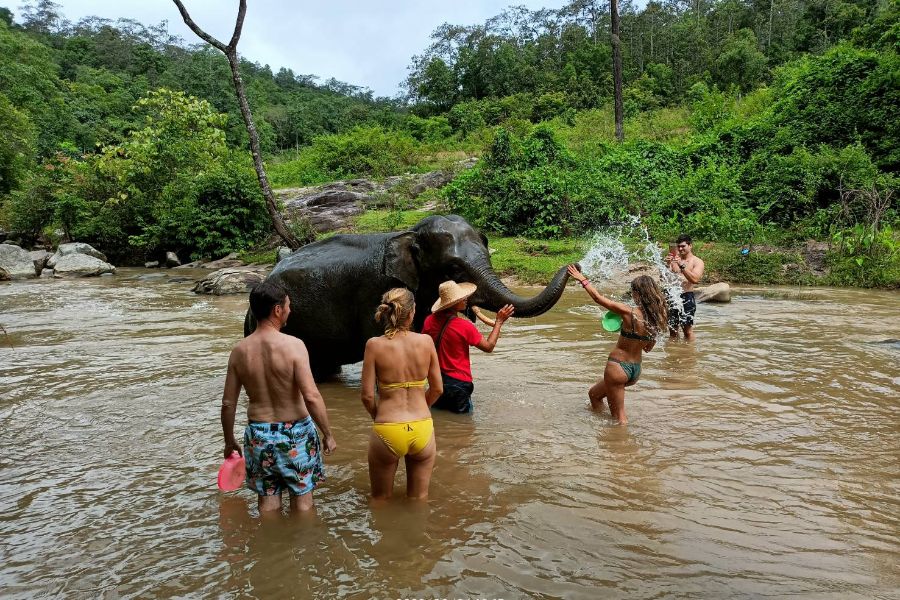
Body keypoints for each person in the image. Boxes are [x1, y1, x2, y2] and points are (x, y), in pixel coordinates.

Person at [220, 281, 337, 513]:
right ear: (277, 310)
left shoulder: (239, 352)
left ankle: (270, 546)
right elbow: (311, 396)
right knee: (303, 500)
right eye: (288, 306)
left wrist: (229, 441)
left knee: (268, 503)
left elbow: (228, 403)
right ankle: (303, 547)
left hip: (258, 436)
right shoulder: (294, 346)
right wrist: (328, 434)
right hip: (296, 435)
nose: (290, 311)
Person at [361, 288, 443, 501]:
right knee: (419, 500)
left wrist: (378, 416)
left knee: (380, 500)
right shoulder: (425, 342)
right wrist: (422, 407)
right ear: (412, 312)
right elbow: (437, 389)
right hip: (422, 426)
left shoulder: (374, 345)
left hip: (388, 427)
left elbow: (367, 396)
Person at [567, 265, 669, 425]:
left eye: (633, 292)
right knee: (594, 395)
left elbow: (598, 299)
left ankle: (622, 447)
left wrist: (582, 279)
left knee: (620, 418)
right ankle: (602, 428)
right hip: (635, 370)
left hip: (618, 367)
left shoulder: (628, 312)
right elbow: (647, 348)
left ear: (637, 294)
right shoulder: (657, 318)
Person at [422, 280, 515, 414]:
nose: (466, 299)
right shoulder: (464, 326)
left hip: (436, 382)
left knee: (439, 418)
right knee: (464, 425)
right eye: (461, 298)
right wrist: (499, 322)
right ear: (453, 304)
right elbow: (488, 347)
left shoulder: (429, 321)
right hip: (459, 384)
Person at [664, 234, 705, 341]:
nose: (680, 249)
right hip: (673, 296)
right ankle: (673, 353)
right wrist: (666, 265)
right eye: (679, 246)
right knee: (672, 331)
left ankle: (690, 355)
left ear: (690, 245)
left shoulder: (697, 261)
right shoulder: (674, 261)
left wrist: (682, 266)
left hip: (687, 296)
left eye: (683, 246)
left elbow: (695, 279)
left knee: (687, 331)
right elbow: (665, 279)